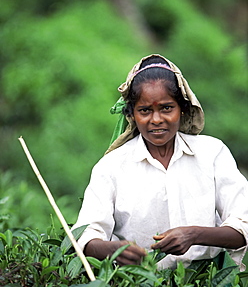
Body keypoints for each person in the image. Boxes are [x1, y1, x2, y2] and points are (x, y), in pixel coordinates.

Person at [72, 54, 248, 270]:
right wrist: (114, 250)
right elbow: (86, 236)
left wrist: (194, 235)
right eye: (145, 110)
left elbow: (243, 226)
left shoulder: (212, 153)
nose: (156, 120)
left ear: (182, 109)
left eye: (166, 108)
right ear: (132, 114)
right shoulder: (112, 167)